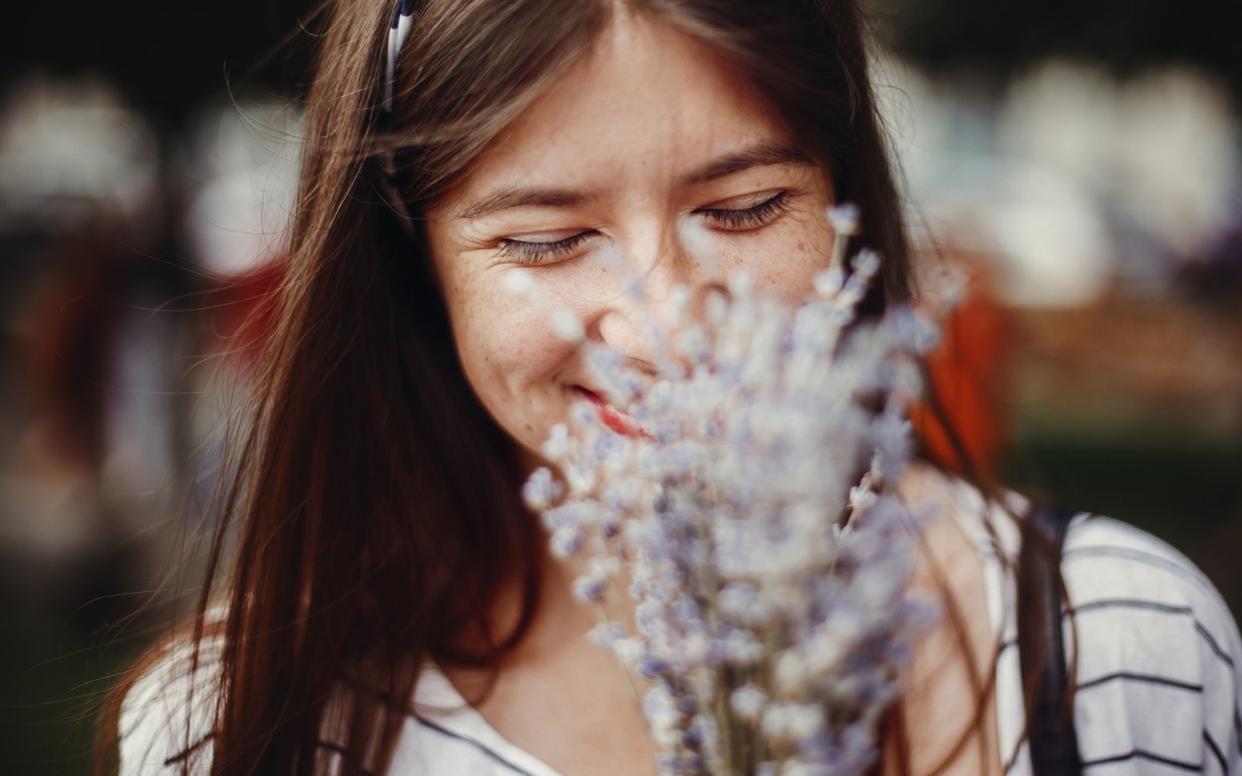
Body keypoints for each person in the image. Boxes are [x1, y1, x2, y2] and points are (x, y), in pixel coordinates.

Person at [102, 1, 1242, 774]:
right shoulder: (238, 726)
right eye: (549, 240)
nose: (668, 326)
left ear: (842, 212)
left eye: (744, 210)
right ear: (418, 266)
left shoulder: (1116, 646)